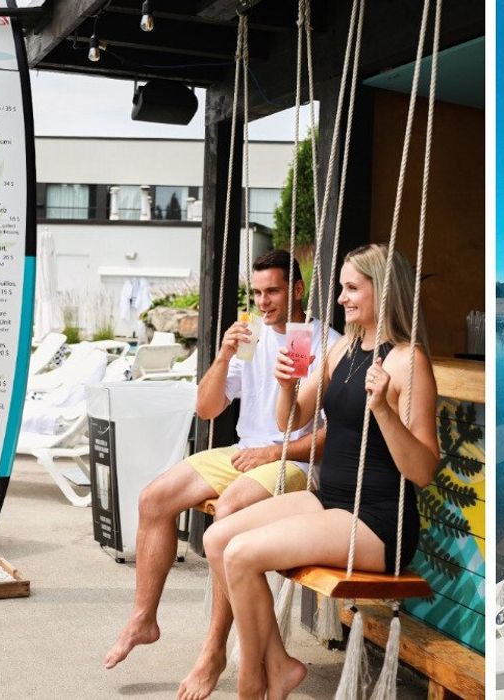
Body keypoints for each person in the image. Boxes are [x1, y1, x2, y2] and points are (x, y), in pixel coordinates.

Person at [202, 244, 439, 699]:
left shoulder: (409, 362)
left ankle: (252, 681)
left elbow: (423, 470)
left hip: (375, 519)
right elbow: (287, 420)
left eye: (353, 288)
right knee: (217, 540)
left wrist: (385, 412)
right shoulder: (340, 349)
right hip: (329, 498)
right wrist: (286, 384)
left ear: (384, 290)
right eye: (342, 289)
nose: (342, 299)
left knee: (240, 554)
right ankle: (279, 664)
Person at [103, 249, 341, 700]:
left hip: (294, 461)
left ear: (297, 289)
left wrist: (275, 449)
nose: (264, 301)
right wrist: (224, 354)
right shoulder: (250, 334)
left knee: (227, 513)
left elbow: (333, 433)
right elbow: (207, 408)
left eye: (273, 291)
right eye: (256, 292)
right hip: (244, 450)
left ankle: (212, 653)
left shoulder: (312, 339)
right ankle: (144, 618)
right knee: (154, 497)